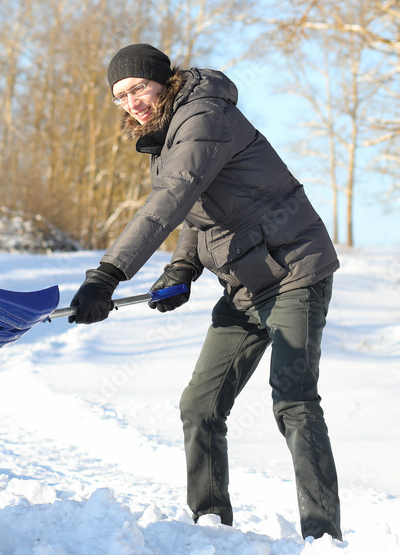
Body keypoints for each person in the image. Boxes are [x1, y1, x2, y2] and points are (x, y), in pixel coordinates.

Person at [69, 43, 342, 541]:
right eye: (120, 97)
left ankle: (323, 537)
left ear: (161, 79)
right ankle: (212, 523)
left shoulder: (202, 115)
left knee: (293, 400)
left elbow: (171, 198)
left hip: (294, 270)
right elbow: (197, 204)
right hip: (244, 285)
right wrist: (181, 267)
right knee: (200, 405)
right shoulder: (168, 133)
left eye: (137, 88)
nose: (132, 102)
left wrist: (108, 274)